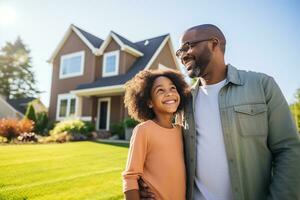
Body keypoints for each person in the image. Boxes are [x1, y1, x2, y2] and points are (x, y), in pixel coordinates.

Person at [140, 24, 300, 200]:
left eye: (187, 46)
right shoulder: (184, 101)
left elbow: (289, 150)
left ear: (214, 44)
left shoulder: (262, 86)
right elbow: (169, 153)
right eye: (179, 52)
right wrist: (147, 184)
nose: (182, 56)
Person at [122, 69, 190, 200]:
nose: (169, 93)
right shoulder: (144, 130)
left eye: (172, 88)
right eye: (160, 90)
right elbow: (130, 177)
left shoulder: (182, 131)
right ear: (149, 102)